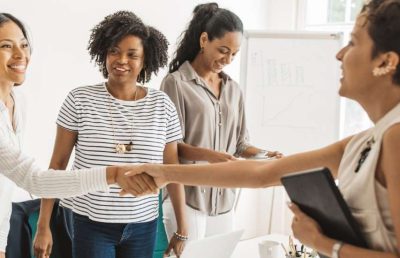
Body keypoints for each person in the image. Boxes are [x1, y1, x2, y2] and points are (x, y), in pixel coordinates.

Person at [129, 0, 400, 257]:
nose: (339, 53)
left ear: (386, 62)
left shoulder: (395, 137)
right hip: (192, 199)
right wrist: (164, 172)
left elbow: (249, 158)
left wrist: (323, 243)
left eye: (352, 42)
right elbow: (261, 173)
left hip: (221, 204)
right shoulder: (366, 141)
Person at [0, 12, 158, 258]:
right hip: (88, 223)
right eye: (6, 46)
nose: (20, 55)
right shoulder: (80, 99)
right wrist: (112, 175)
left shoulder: (18, 102)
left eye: (24, 44)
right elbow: (35, 178)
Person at [33, 11, 187, 258]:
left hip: (143, 224)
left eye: (131, 54)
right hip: (89, 222)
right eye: (114, 51)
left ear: (145, 60)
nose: (121, 60)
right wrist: (43, 226)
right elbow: (57, 165)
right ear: (103, 52)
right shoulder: (80, 99)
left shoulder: (162, 104)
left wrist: (182, 228)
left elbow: (173, 168)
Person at [159, 2, 282, 241]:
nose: (228, 59)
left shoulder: (233, 90)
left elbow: (240, 145)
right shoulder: (175, 84)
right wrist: (211, 156)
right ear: (204, 40)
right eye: (223, 50)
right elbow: (171, 147)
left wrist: (266, 155)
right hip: (189, 198)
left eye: (234, 54)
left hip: (224, 200)